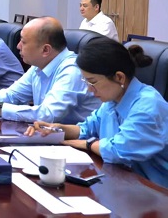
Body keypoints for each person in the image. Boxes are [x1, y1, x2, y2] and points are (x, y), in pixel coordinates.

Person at [25, 38, 167, 188]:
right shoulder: (113, 100)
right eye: (86, 82)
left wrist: (88, 144)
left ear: (119, 77)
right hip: (123, 183)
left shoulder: (148, 106)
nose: (89, 89)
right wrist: (57, 129)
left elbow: (118, 151)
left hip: (156, 191)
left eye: (92, 82)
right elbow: (86, 128)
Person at [0, 17, 100, 123]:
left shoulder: (72, 71)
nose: (18, 46)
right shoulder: (39, 66)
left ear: (45, 50)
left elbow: (48, 114)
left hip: (79, 146)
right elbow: (12, 95)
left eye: (23, 42)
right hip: (50, 137)